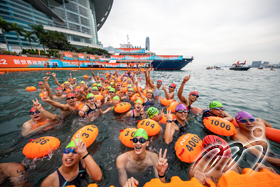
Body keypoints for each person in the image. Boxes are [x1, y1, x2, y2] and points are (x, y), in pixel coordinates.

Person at [189, 135, 276, 186]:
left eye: (228, 154)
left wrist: (257, 169)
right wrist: (199, 183)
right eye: (222, 157)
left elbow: (242, 177)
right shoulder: (197, 171)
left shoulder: (229, 159)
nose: (228, 158)